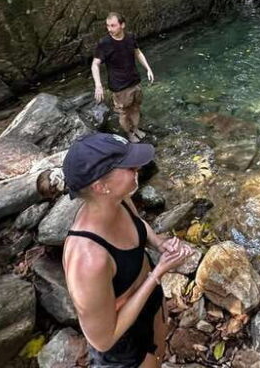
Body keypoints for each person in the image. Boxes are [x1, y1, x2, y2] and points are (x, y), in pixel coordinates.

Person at [62, 132, 193, 368]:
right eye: (129, 168)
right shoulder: (88, 259)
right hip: (123, 342)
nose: (138, 169)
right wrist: (158, 273)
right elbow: (103, 340)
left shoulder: (119, 198)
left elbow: (137, 223)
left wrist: (158, 243)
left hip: (149, 304)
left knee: (160, 355)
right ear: (100, 186)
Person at [93, 12, 155, 142]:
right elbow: (95, 64)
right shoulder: (104, 43)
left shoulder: (130, 37)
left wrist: (148, 68)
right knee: (124, 112)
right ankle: (129, 133)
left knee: (136, 107)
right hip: (119, 86)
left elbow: (137, 52)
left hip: (134, 80)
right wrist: (98, 85)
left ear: (122, 25)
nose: (109, 29)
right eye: (108, 26)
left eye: (113, 26)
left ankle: (136, 128)